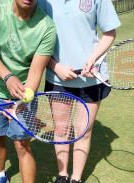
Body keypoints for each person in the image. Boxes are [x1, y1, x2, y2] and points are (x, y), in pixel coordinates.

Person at [37, 0, 121, 182]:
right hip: (57, 77)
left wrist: (92, 59)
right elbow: (37, 38)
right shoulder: (43, 2)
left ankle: (76, 178)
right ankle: (62, 175)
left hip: (91, 77)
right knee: (61, 130)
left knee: (83, 131)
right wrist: (55, 66)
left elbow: (109, 32)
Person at [0, 0, 56, 182]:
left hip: (24, 94)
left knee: (22, 144)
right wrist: (8, 77)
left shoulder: (47, 27)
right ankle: (0, 175)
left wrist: (21, 102)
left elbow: (36, 71)